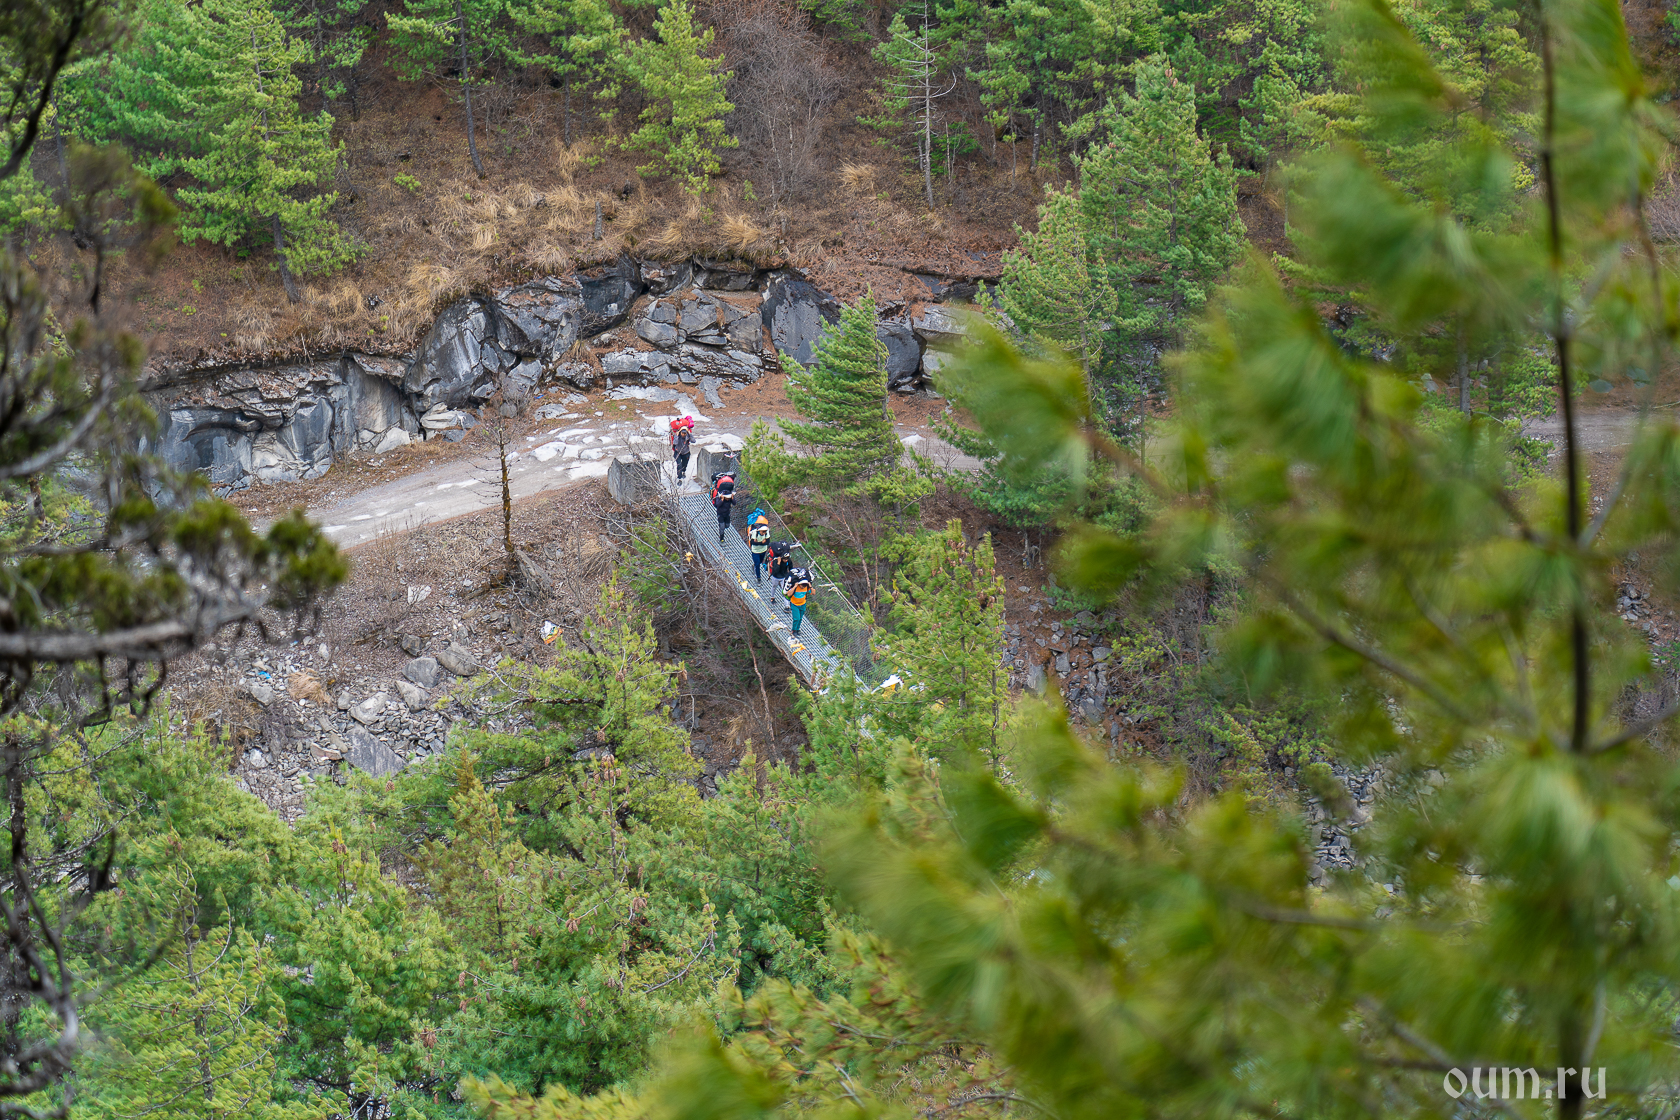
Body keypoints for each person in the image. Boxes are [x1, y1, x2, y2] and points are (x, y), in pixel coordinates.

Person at [784, 566, 812, 636]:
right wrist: (795, 586)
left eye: (804, 586)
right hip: (795, 604)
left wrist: (810, 586)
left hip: (803, 604)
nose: (803, 587)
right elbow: (789, 594)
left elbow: (813, 593)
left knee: (800, 618)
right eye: (802, 585)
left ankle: (797, 629)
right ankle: (794, 630)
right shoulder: (796, 587)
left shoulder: (806, 587)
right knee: (796, 618)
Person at [711, 471, 736, 543]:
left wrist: (732, 498)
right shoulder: (720, 497)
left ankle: (722, 529)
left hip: (727, 513)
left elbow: (734, 503)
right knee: (722, 527)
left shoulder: (729, 498)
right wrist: (722, 500)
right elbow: (717, 505)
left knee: (727, 525)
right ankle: (721, 539)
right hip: (721, 514)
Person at [747, 510, 771, 582]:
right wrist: (762, 542)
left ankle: (754, 565)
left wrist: (758, 542)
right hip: (755, 551)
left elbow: (768, 542)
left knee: (760, 562)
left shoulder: (766, 532)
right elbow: (753, 543)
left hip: (763, 550)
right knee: (758, 564)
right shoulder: (755, 532)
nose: (764, 533)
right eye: (763, 532)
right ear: (759, 530)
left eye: (765, 532)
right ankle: (758, 578)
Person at [670, 417, 694, 483]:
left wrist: (690, 434)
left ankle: (683, 472)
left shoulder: (688, 436)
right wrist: (676, 436)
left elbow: (693, 441)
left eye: (685, 433)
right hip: (678, 452)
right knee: (679, 465)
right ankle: (679, 478)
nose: (683, 434)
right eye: (682, 433)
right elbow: (675, 443)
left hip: (686, 452)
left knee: (684, 464)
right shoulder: (677, 436)